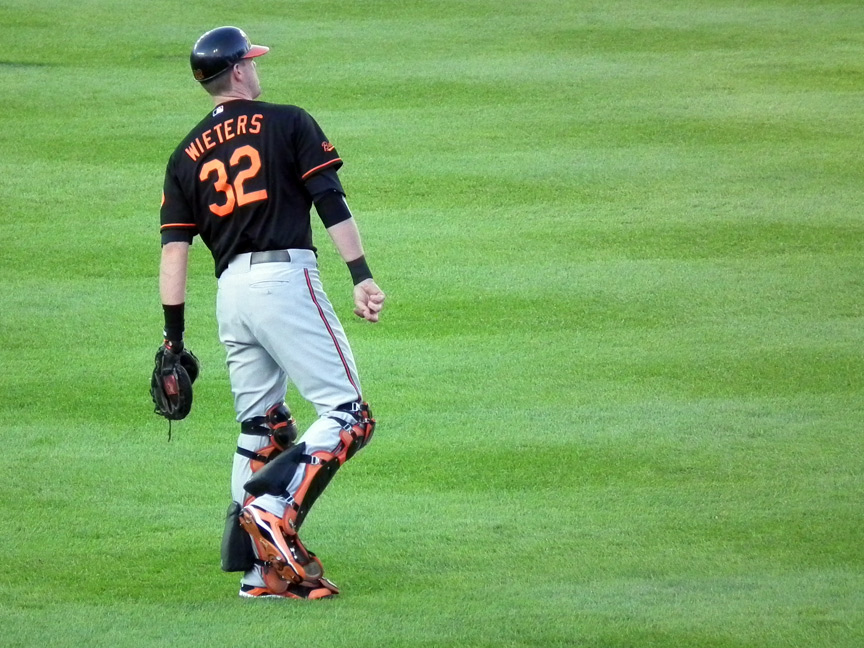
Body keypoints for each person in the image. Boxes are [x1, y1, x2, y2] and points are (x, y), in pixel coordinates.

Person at [157, 26, 385, 600]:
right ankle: (273, 510)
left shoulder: (185, 153)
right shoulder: (288, 121)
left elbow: (175, 250)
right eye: (250, 61)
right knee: (349, 415)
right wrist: (361, 275)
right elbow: (329, 199)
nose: (257, 68)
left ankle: (262, 576)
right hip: (285, 280)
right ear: (237, 72)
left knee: (261, 427)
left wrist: (173, 339)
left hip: (230, 295)